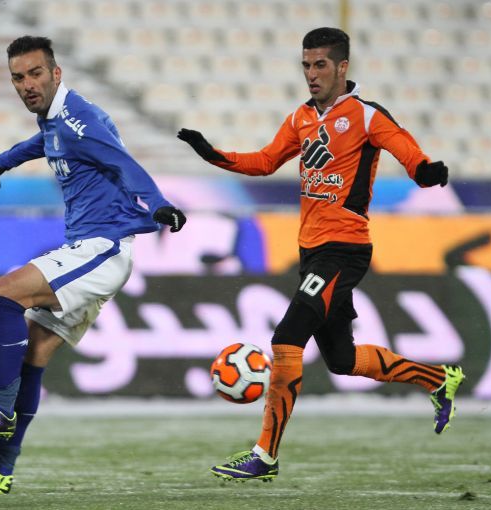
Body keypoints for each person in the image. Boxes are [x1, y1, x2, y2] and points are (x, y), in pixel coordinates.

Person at [177, 27, 465, 482]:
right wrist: (211, 153)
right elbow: (265, 161)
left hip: (344, 249)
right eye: (306, 66)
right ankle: (438, 380)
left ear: (342, 67)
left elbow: (409, 153)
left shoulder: (366, 115)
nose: (311, 74)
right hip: (312, 252)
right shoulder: (301, 118)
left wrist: (426, 171)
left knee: (286, 339)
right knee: (342, 360)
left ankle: (265, 456)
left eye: (320, 65)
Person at [0, 35, 186, 495]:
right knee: (32, 357)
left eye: (35, 73)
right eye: (18, 77)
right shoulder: (58, 121)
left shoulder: (78, 118)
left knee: (5, 293)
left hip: (101, 248)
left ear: (56, 73)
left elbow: (123, 163)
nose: (27, 84)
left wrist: (159, 205)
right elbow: (45, 142)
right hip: (95, 250)